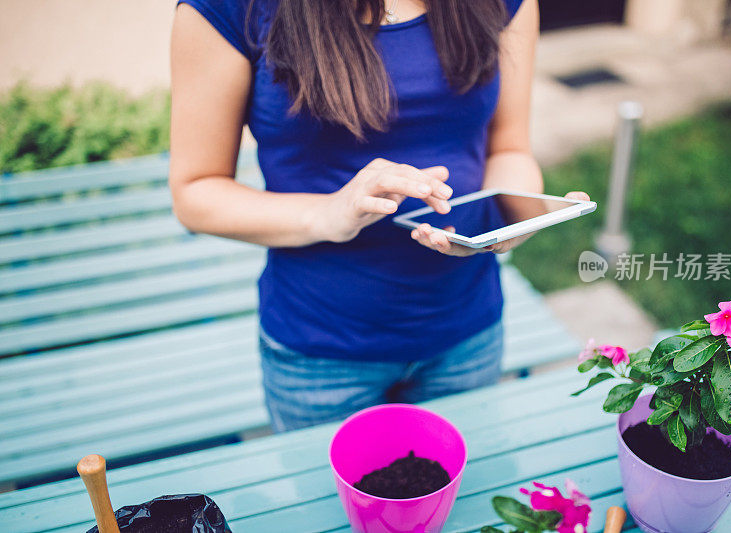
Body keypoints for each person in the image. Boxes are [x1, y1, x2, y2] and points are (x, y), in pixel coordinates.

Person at [169, 0, 589, 432]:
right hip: (320, 355)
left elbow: (508, 147)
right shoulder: (228, 9)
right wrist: (329, 212)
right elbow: (195, 190)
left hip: (467, 335)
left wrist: (520, 219)